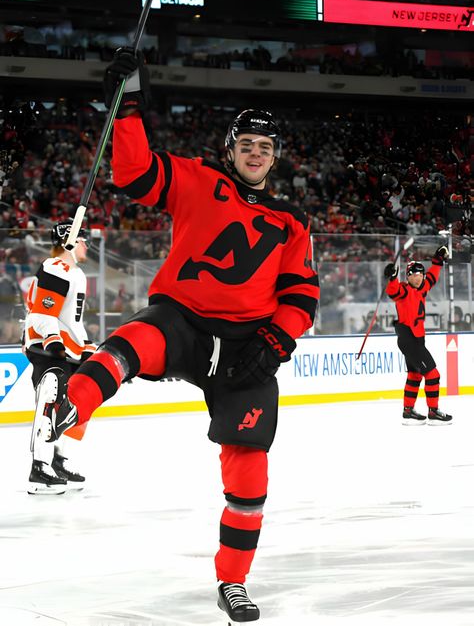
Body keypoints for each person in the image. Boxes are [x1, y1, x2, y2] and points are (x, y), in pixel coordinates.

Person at [32, 48, 319, 622]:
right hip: (184, 322)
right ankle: (71, 402)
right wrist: (129, 106)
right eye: (246, 145)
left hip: (247, 347)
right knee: (132, 343)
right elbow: (133, 173)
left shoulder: (293, 222)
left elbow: (302, 299)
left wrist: (276, 344)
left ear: (275, 158)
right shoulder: (196, 178)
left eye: (265, 148)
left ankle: (232, 580)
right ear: (230, 151)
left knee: (249, 476)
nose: (256, 154)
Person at [26, 220, 97, 494]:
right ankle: (39, 468)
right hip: (46, 344)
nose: (86, 244)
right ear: (69, 241)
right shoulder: (56, 267)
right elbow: (44, 313)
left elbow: (72, 321)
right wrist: (53, 341)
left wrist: (86, 348)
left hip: (64, 345)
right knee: (51, 395)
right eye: (82, 239)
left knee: (76, 400)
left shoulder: (75, 272)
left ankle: (57, 461)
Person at [384, 246, 452, 425]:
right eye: (414, 274)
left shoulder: (423, 288)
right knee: (433, 374)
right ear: (408, 276)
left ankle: (408, 411)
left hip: (416, 339)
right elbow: (393, 291)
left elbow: (433, 276)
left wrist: (438, 259)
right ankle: (433, 412)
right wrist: (392, 277)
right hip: (409, 339)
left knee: (415, 375)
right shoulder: (404, 290)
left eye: (420, 273)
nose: (419, 276)